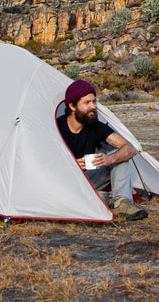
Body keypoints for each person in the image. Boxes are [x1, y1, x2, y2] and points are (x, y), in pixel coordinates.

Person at [56, 79, 148, 221]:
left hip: (88, 180)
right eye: (87, 103)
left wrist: (108, 159)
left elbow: (131, 148)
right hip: (60, 184)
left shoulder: (95, 125)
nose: (93, 106)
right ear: (72, 106)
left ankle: (123, 204)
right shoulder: (57, 127)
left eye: (94, 102)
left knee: (120, 156)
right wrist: (71, 165)